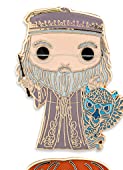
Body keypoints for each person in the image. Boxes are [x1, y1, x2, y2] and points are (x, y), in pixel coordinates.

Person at [17, 7, 112, 149]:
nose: (65, 63)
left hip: (77, 121)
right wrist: (30, 86)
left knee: (77, 136)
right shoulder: (50, 84)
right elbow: (41, 98)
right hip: (52, 120)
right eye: (43, 52)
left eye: (87, 53)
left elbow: (92, 105)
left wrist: (93, 90)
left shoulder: (81, 85)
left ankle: (77, 143)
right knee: (50, 136)